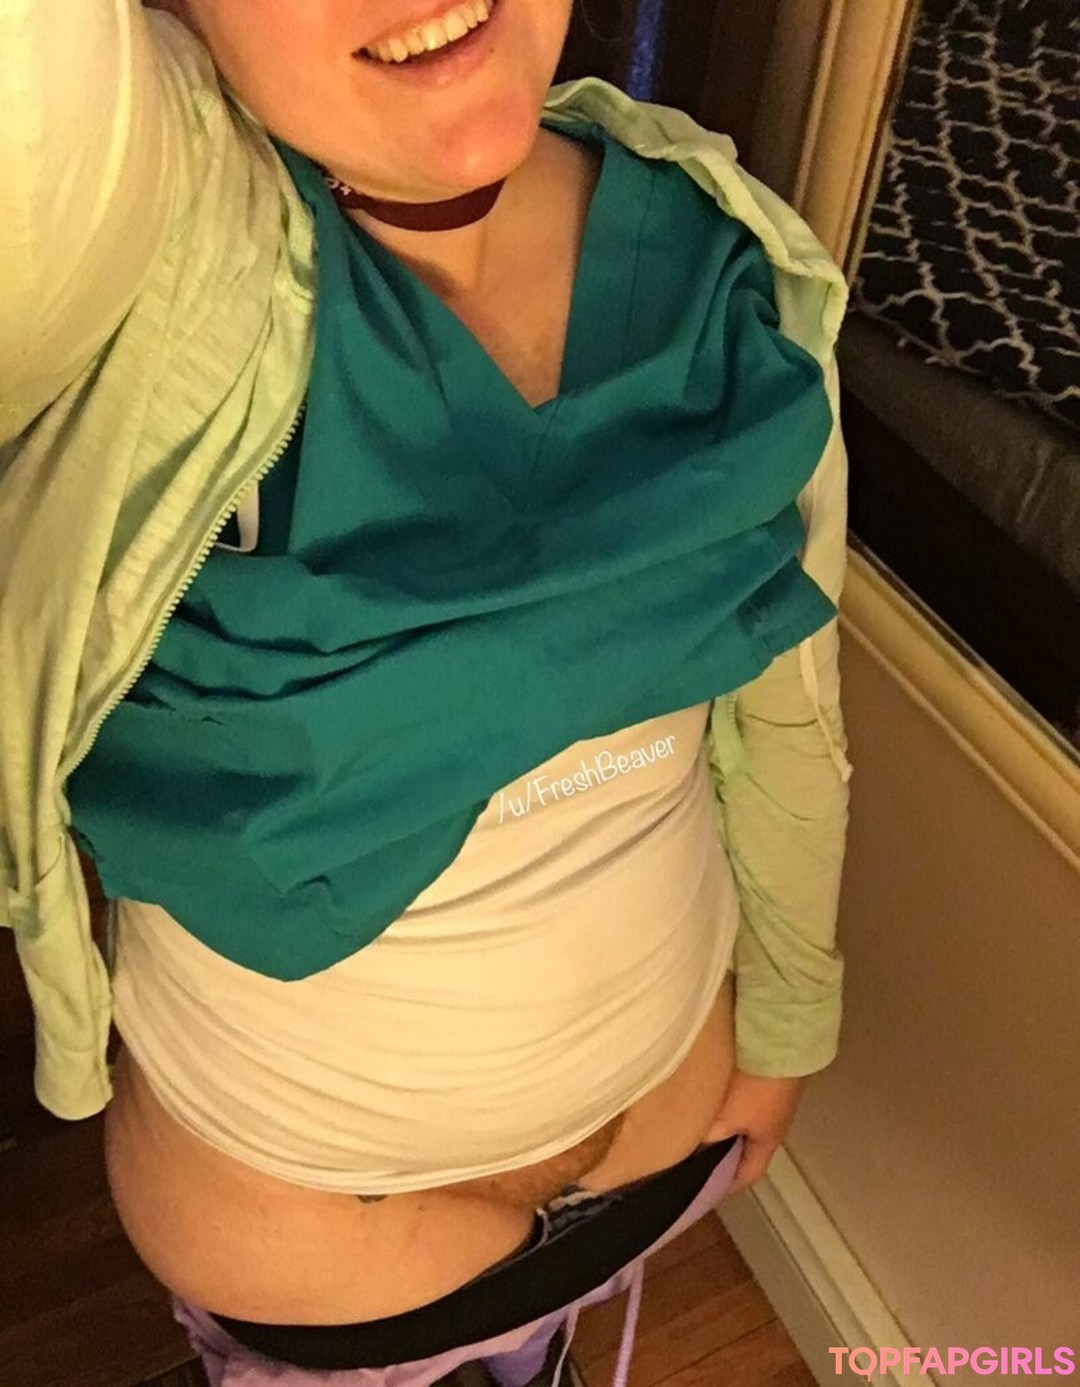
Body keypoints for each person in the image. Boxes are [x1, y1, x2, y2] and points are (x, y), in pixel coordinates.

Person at [0, 1, 854, 1384]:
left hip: (664, 1160)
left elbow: (789, 715)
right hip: (328, 1274)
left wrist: (792, 1020)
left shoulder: (726, 252)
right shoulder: (144, 265)